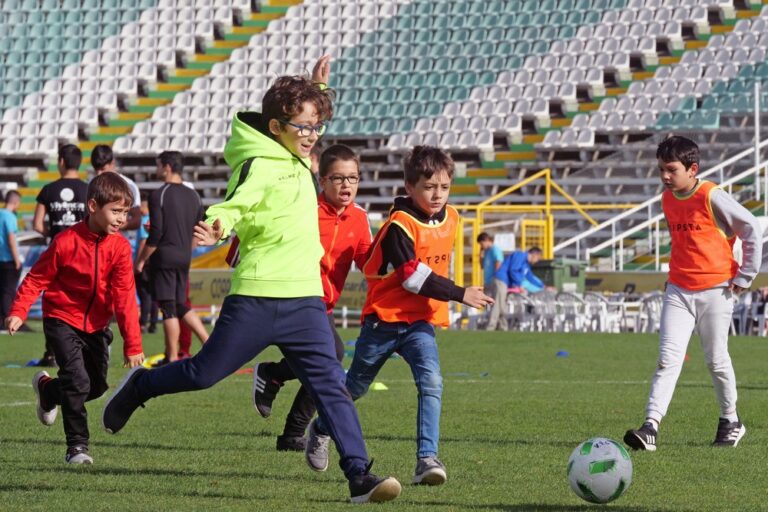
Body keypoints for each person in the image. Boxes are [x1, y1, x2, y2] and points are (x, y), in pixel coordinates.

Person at [100, 56, 402, 504]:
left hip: (304, 300)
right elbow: (233, 203)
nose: (313, 136)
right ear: (276, 126)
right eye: (304, 128)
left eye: (316, 127)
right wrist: (217, 225)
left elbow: (308, 121)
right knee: (203, 374)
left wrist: (319, 90)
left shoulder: (300, 154)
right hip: (257, 299)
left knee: (330, 386)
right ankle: (141, 385)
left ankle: (360, 476)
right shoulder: (259, 163)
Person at [304, 146, 494, 486]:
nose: (438, 194)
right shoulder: (398, 225)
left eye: (444, 187)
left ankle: (426, 459)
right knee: (355, 388)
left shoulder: (451, 217)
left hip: (419, 324)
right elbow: (412, 276)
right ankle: (320, 427)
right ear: (409, 187)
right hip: (383, 321)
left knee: (432, 381)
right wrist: (459, 293)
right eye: (429, 187)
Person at [624, 136, 762, 451]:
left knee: (715, 360)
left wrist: (746, 275)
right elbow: (683, 244)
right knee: (667, 360)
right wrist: (674, 275)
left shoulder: (712, 195)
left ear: (693, 168)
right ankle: (650, 427)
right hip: (678, 290)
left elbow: (751, 227)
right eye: (660, 169)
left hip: (717, 290)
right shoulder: (667, 199)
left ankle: (731, 420)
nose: (664, 176)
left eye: (671, 170)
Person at [5, 172, 145, 464]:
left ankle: (47, 390)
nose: (121, 219)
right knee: (78, 382)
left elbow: (124, 297)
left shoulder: (120, 248)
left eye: (125, 212)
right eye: (115, 211)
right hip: (61, 318)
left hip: (96, 325)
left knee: (95, 386)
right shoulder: (65, 241)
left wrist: (132, 344)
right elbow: (35, 279)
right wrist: (18, 311)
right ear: (93, 206)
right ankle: (77, 447)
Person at [252, 144, 372, 452]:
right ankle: (288, 418)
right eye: (338, 178)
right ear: (321, 180)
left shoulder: (359, 219)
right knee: (330, 357)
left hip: (324, 305)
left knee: (326, 360)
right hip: (294, 296)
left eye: (353, 178)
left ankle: (275, 380)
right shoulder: (303, 209)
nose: (347, 185)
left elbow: (368, 263)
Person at [134, 151, 209, 364]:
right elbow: (198, 229)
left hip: (165, 257)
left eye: (158, 165)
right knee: (180, 304)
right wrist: (188, 249)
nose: (157, 170)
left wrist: (140, 260)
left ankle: (172, 356)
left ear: (167, 166)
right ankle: (208, 341)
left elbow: (156, 234)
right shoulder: (193, 195)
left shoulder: (160, 194)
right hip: (184, 256)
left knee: (167, 307)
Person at [32, 144, 89, 366]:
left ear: (61, 162)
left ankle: (51, 353)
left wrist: (54, 234)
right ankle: (80, 349)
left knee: (54, 303)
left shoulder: (48, 190)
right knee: (81, 300)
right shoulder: (88, 190)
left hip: (57, 253)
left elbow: (37, 224)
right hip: (83, 253)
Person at [485, 247, 544, 330]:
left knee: (502, 305)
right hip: (501, 280)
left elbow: (530, 277)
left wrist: (542, 286)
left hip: (505, 283)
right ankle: (491, 327)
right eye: (538, 258)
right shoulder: (520, 255)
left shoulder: (526, 264)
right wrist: (518, 285)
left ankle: (503, 327)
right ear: (535, 254)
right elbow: (513, 270)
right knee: (498, 304)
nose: (537, 260)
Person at [91, 144, 142, 230]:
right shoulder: (91, 185)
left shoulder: (128, 185)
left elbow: (136, 220)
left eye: (103, 169)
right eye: (96, 170)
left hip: (120, 240)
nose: (99, 173)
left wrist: (111, 226)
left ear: (112, 163)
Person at [134, 197, 157, 333]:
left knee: (144, 294)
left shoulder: (145, 221)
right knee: (153, 295)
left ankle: (142, 322)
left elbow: (143, 242)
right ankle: (153, 323)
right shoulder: (154, 220)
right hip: (153, 263)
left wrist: (138, 263)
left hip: (145, 262)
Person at [0, 190, 22, 326]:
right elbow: (11, 238)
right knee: (8, 291)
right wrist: (17, 259)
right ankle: (7, 320)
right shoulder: (10, 217)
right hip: (8, 259)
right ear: (15, 202)